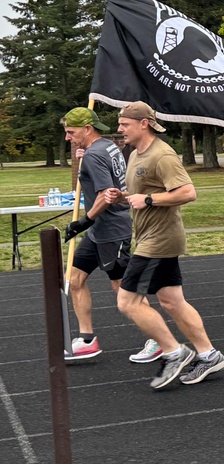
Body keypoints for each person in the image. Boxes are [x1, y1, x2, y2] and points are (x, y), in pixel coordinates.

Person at [104, 102, 224, 389]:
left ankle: (174, 352)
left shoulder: (162, 155)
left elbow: (188, 192)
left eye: (124, 124)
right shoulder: (135, 154)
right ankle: (209, 355)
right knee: (172, 301)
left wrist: (148, 200)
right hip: (150, 236)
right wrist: (122, 196)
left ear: (143, 123)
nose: (120, 129)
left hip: (158, 240)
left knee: (127, 301)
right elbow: (145, 192)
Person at [60, 108, 154, 362]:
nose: (68, 138)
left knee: (123, 289)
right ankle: (88, 340)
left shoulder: (94, 155)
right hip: (99, 231)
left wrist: (83, 221)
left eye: (71, 132)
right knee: (75, 278)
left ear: (88, 129)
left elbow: (107, 194)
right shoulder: (108, 146)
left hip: (111, 230)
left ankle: (157, 339)